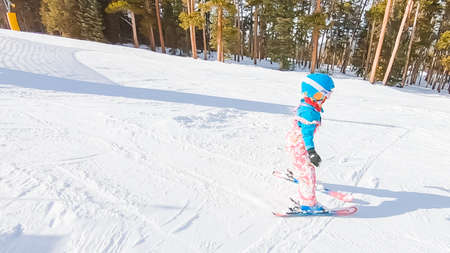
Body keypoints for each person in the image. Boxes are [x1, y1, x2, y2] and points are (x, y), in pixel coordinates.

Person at [286, 73, 335, 213]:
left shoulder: (307, 103)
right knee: (308, 172)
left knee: (301, 164)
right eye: (322, 95)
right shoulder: (310, 113)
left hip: (293, 142)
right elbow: (307, 135)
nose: (325, 98)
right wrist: (311, 152)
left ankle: (297, 173)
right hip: (300, 145)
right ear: (314, 93)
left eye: (327, 95)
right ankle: (308, 204)